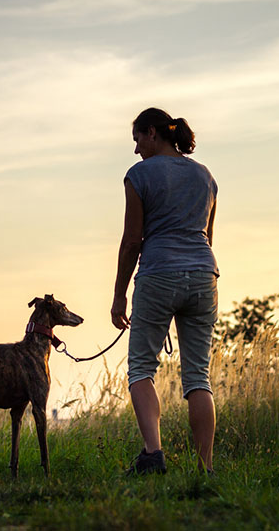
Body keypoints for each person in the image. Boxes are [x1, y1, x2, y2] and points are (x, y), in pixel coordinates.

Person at [111, 107, 219, 475]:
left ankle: (153, 456)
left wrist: (119, 295)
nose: (137, 149)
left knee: (141, 368)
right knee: (198, 377)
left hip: (158, 273)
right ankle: (204, 469)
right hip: (204, 275)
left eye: (138, 139)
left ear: (153, 133)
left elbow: (131, 241)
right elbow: (207, 237)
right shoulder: (205, 177)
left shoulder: (139, 175)